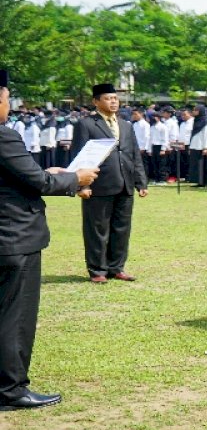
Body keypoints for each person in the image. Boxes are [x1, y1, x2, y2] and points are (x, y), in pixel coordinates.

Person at [0, 77, 100, 410]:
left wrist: (52, 173)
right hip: (14, 238)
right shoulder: (4, 136)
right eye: (7, 98)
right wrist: (76, 179)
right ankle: (11, 390)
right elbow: (38, 182)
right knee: (15, 318)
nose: (9, 104)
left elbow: (20, 176)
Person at [72, 83, 149, 283]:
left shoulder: (126, 125)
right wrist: (82, 185)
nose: (113, 102)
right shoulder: (86, 124)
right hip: (98, 185)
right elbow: (79, 156)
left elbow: (134, 155)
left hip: (125, 183)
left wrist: (141, 182)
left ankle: (116, 267)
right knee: (97, 229)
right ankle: (97, 270)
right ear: (96, 101)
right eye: (108, 98)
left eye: (115, 98)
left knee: (122, 228)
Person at [188, 105, 207, 186]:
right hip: (194, 145)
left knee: (201, 165)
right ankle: (198, 181)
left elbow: (206, 135)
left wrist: (205, 147)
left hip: (201, 146)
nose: (193, 112)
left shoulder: (205, 122)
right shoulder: (195, 120)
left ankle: (203, 182)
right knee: (195, 165)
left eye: (196, 110)